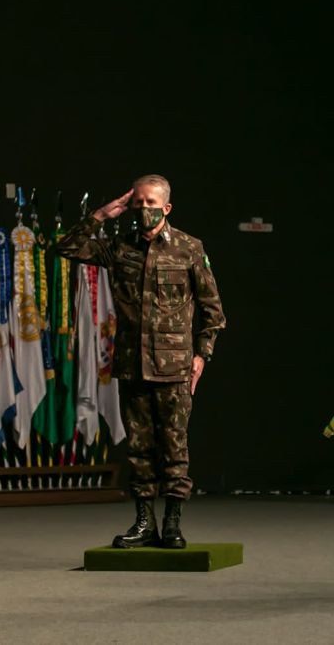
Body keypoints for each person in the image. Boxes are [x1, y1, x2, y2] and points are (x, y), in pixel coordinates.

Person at [56, 175, 226, 550]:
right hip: (133, 365)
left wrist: (202, 356)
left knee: (175, 448)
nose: (143, 210)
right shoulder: (119, 248)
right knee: (139, 448)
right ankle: (144, 522)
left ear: (166, 208)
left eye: (151, 203)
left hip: (175, 367)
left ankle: (173, 522)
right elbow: (66, 247)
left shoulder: (189, 249)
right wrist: (101, 213)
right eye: (138, 203)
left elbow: (213, 312)